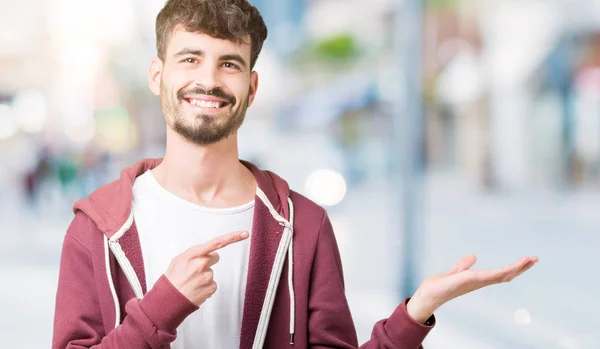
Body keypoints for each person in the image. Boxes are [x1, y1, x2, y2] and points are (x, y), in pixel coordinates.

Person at [52, 0, 539, 348]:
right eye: (190, 59)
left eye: (229, 64)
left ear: (252, 85)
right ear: (158, 75)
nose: (209, 79)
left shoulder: (304, 227)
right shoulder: (97, 230)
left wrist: (414, 315)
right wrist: (161, 309)